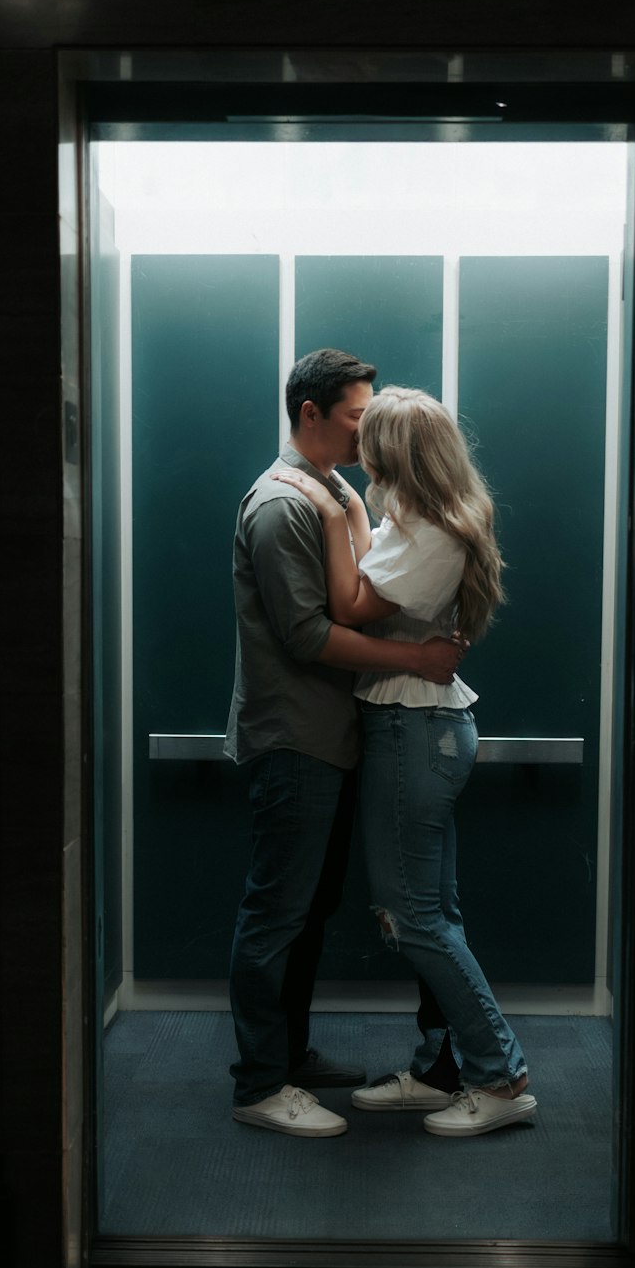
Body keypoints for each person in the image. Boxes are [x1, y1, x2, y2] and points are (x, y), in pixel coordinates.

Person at [272, 385, 536, 1137]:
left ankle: (501, 1074)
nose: (360, 451)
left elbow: (350, 607)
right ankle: (445, 1068)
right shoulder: (419, 519)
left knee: (413, 916)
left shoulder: (428, 534)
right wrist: (358, 508)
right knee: (432, 912)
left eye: (371, 439)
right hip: (417, 728)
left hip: (410, 730)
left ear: (396, 452)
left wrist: (335, 508)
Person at [226, 352, 466, 1138]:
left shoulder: (332, 493)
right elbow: (308, 634)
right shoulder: (280, 504)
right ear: (309, 414)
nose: (369, 432)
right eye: (358, 418)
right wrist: (418, 660)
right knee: (277, 913)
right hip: (295, 739)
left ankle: (289, 1055)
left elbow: (360, 590)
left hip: (329, 739)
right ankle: (260, 1085)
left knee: (310, 910)